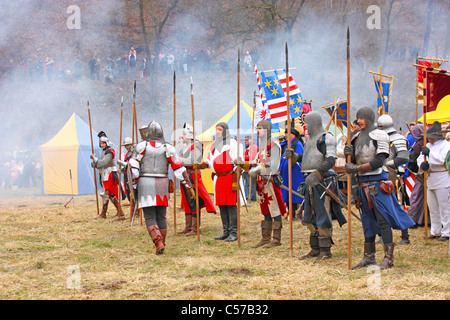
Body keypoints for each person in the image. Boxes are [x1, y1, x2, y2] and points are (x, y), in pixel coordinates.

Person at [344, 107, 415, 270]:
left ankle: (388, 259)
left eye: (360, 118)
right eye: (357, 118)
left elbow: (379, 161)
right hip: (362, 185)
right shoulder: (356, 137)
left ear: (368, 119)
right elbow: (356, 159)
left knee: (383, 221)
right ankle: (368, 257)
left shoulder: (380, 135)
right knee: (367, 222)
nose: (358, 121)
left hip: (377, 184)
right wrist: (349, 153)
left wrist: (356, 169)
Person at [131, 121, 194, 254]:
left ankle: (158, 242)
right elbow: (178, 168)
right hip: (162, 183)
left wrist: (134, 185)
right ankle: (162, 242)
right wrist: (188, 185)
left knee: (149, 216)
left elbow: (134, 169)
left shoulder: (142, 146)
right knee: (161, 216)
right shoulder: (168, 148)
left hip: (146, 182)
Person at [295, 111, 347, 262]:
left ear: (315, 124)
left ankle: (325, 251)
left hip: (323, 181)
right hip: (309, 181)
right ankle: (315, 248)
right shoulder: (310, 139)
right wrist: (295, 157)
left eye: (307, 124)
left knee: (323, 215)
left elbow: (331, 159)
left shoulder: (326, 137)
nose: (306, 127)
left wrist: (318, 173)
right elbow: (309, 159)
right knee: (309, 216)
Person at [194, 122, 245, 242]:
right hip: (219, 178)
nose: (217, 131)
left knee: (231, 205)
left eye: (220, 129)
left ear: (225, 131)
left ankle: (233, 232)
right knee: (222, 205)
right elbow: (209, 160)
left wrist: (236, 179)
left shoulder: (233, 143)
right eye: (216, 129)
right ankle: (225, 231)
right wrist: (203, 164)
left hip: (230, 177)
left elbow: (240, 162)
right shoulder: (213, 145)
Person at [246, 120, 286, 248]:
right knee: (266, 210)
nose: (257, 131)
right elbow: (258, 161)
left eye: (259, 128)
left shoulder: (273, 144)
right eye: (257, 128)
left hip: (270, 181)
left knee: (275, 210)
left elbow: (273, 165)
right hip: (261, 183)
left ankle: (276, 239)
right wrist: (246, 164)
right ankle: (265, 237)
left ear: (267, 129)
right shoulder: (262, 145)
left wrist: (259, 168)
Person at [377, 114, 411, 245]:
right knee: (381, 207)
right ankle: (383, 234)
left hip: (392, 176)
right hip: (380, 176)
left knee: (397, 206)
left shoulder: (397, 139)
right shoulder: (379, 138)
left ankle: (405, 236)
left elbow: (403, 157)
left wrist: (388, 165)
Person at [177, 123, 216, 236]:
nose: (182, 136)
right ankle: (188, 227)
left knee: (194, 200)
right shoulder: (186, 146)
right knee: (187, 201)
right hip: (185, 175)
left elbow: (190, 161)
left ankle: (195, 228)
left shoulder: (196, 145)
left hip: (193, 176)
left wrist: (177, 159)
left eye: (184, 134)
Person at [417, 121, 450, 241]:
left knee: (445, 207)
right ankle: (436, 231)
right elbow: (421, 157)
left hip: (442, 178)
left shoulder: (446, 145)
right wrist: (422, 164)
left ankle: (447, 232)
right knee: (433, 207)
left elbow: (443, 159)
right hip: (430, 178)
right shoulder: (428, 146)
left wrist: (430, 155)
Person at [90, 131, 125, 220]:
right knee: (110, 194)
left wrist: (95, 159)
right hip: (106, 173)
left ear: (107, 143)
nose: (102, 145)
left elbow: (103, 162)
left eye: (103, 143)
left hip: (110, 174)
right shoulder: (104, 151)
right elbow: (100, 164)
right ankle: (120, 211)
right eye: (101, 143)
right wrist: (95, 164)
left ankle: (103, 214)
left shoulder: (110, 151)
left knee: (106, 193)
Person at [279, 126, 305, 221]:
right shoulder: (286, 145)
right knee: (288, 192)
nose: (286, 135)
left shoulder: (297, 145)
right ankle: (291, 213)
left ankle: (298, 214)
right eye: (285, 133)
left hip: (295, 174)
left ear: (293, 135)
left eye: (288, 133)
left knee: (296, 193)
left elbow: (299, 159)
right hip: (287, 173)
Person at [406, 124, 425, 226]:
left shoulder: (419, 145)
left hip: (421, 174)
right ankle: (422, 220)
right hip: (423, 174)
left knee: (416, 197)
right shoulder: (421, 143)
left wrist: (410, 163)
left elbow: (413, 162)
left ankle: (413, 220)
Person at [243, 135, 257, 201]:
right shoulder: (247, 148)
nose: (245, 141)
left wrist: (243, 157)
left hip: (252, 166)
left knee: (251, 183)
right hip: (247, 166)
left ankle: (252, 197)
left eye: (247, 140)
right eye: (245, 140)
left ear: (251, 140)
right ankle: (248, 196)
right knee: (247, 183)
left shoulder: (253, 147)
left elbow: (252, 157)